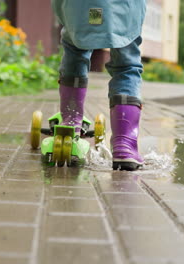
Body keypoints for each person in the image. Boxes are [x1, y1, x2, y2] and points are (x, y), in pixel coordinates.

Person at [51, 0, 146, 171]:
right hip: (123, 7)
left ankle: (71, 121)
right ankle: (124, 144)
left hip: (80, 7)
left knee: (75, 50)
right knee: (126, 63)